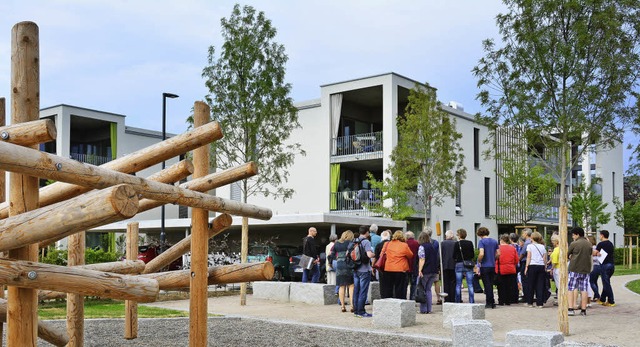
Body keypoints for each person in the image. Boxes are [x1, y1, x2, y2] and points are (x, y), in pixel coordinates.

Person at [567, 227, 593, 316]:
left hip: (574, 268)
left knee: (571, 288)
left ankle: (570, 308)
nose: (573, 236)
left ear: (577, 234)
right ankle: (583, 310)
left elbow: (567, 254)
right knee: (584, 289)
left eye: (573, 235)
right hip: (585, 269)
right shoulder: (589, 244)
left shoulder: (574, 243)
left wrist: (571, 257)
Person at [379, 230, 413, 299]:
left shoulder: (387, 244)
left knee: (388, 289)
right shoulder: (404, 245)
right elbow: (410, 255)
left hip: (388, 269)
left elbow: (381, 255)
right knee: (400, 290)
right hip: (400, 270)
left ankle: (389, 303)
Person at [352, 226, 375, 317]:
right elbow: (369, 255)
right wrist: (375, 254)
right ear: (367, 232)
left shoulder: (354, 241)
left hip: (356, 268)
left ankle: (356, 311)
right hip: (364, 269)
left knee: (356, 290)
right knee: (363, 291)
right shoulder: (366, 242)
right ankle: (361, 311)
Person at [331, 230, 355, 313]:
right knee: (351, 286)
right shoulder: (351, 243)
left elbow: (331, 255)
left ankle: (342, 306)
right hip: (349, 265)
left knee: (341, 286)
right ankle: (352, 305)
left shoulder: (336, 243)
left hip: (339, 265)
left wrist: (331, 263)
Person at [417, 230, 439, 314]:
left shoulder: (422, 247)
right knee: (428, 290)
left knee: (422, 289)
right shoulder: (432, 246)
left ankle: (423, 309)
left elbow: (422, 259)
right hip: (433, 270)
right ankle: (429, 309)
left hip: (425, 271)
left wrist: (420, 270)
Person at [476, 226, 499, 309]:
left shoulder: (481, 242)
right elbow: (498, 253)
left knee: (487, 285)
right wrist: (494, 258)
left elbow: (481, 253)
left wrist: (479, 261)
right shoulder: (494, 241)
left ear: (480, 234)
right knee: (491, 284)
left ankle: (489, 302)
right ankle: (492, 301)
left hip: (485, 265)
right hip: (492, 265)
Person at [524, 231, 547, 308]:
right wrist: (545, 266)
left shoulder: (530, 246)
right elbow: (544, 258)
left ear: (532, 238)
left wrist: (526, 266)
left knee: (531, 284)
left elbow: (529, 257)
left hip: (532, 265)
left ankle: (530, 302)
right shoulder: (542, 246)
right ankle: (540, 303)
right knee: (540, 284)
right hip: (541, 265)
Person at [453, 228, 475, 303]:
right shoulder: (470, 243)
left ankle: (458, 300)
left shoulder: (457, 243)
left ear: (459, 235)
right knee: (470, 284)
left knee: (458, 284)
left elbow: (454, 255)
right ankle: (471, 301)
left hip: (459, 264)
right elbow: (472, 255)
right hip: (468, 264)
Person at [496, 234, 519, 305]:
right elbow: (516, 260)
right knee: (509, 286)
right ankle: (508, 300)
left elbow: (496, 259)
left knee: (501, 286)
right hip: (511, 269)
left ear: (501, 240)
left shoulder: (498, 248)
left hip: (501, 269)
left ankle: (501, 300)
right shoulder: (512, 248)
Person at [596, 230, 615, 307]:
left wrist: (596, 253)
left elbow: (595, 252)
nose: (599, 237)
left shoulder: (600, 244)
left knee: (606, 284)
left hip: (604, 266)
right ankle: (602, 299)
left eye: (600, 235)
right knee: (606, 282)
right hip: (611, 265)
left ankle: (611, 301)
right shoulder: (611, 244)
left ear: (602, 235)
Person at [424, 227, 442, 304]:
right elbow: (438, 255)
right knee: (436, 281)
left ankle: (425, 299)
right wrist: (438, 266)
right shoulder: (435, 243)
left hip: (425, 265)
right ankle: (438, 298)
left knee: (425, 283)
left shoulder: (422, 243)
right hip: (434, 265)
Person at [440, 230, 457, 303]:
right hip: (454, 265)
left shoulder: (442, 244)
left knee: (445, 283)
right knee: (453, 283)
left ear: (446, 236)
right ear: (452, 236)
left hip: (445, 265)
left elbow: (440, 255)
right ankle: (452, 298)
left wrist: (438, 266)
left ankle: (446, 299)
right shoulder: (456, 243)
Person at [518, 228, 533, 302]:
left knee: (525, 280)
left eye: (523, 234)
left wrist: (518, 259)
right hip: (531, 262)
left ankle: (526, 296)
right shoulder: (532, 242)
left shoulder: (527, 243)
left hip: (525, 262)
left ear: (526, 234)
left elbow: (522, 254)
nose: (522, 235)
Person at [405, 231, 420, 300]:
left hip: (406, 266)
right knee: (413, 284)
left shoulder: (404, 243)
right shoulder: (417, 243)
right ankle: (412, 298)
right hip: (414, 266)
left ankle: (404, 298)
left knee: (405, 284)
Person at [587, 235, 600, 303]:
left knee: (591, 282)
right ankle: (596, 296)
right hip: (598, 266)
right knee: (595, 281)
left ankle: (597, 295)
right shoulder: (597, 247)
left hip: (593, 266)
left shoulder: (591, 248)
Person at [549, 234, 561, 304]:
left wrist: (552, 269)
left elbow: (555, 261)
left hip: (557, 268)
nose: (552, 243)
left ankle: (560, 300)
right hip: (561, 267)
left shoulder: (556, 250)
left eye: (553, 241)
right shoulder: (562, 248)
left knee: (558, 285)